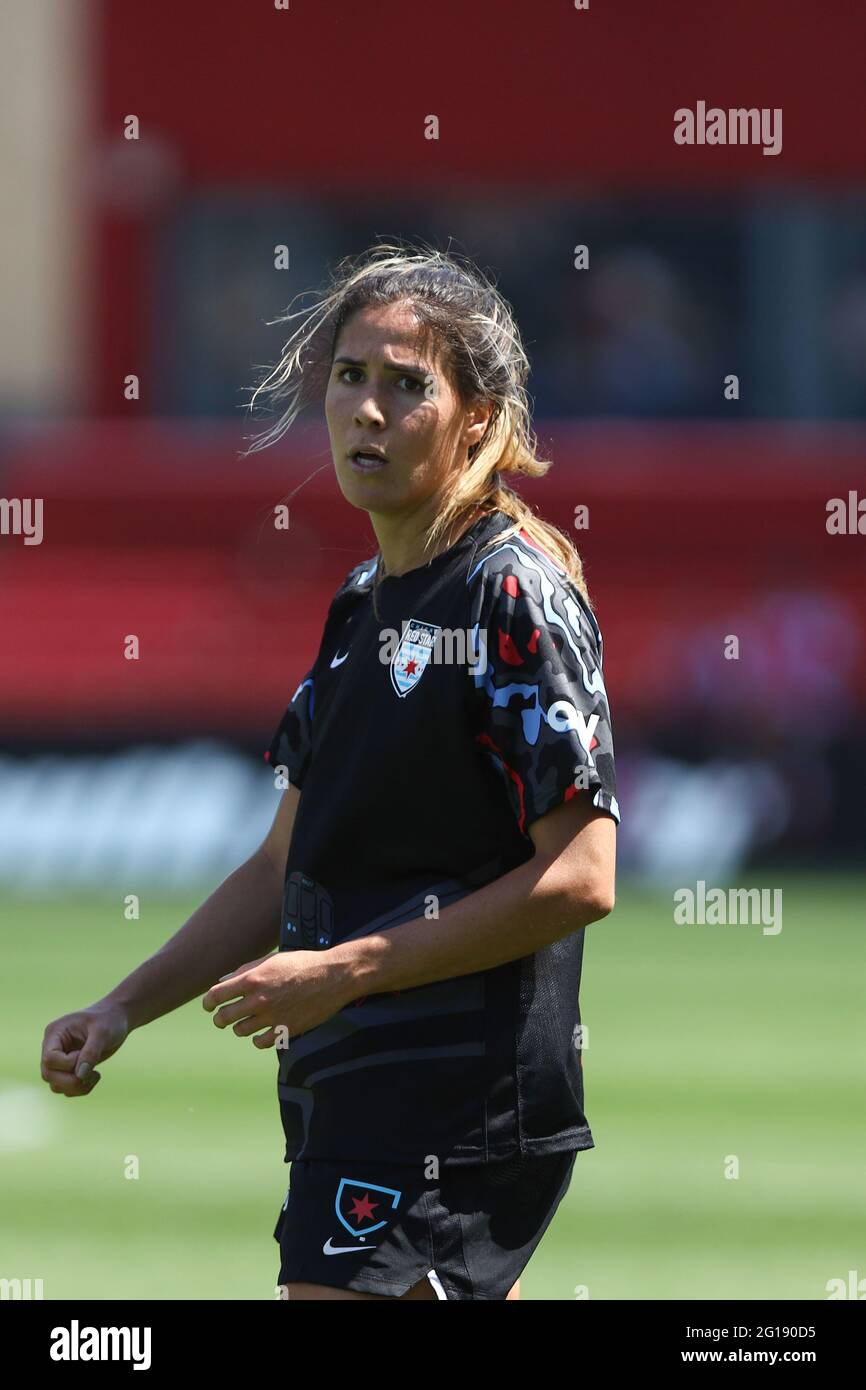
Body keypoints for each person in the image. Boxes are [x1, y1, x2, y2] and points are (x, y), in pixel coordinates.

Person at [40, 240, 619, 1302]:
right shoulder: (361, 604)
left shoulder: (510, 595)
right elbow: (279, 867)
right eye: (350, 377)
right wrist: (123, 1007)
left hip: (452, 1103)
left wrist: (345, 967)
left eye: (408, 386)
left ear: (477, 420)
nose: (366, 410)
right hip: (351, 1088)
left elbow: (582, 874)